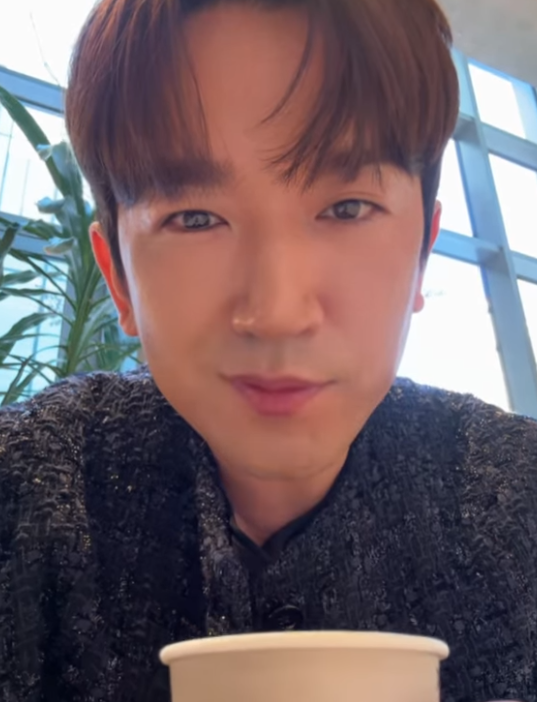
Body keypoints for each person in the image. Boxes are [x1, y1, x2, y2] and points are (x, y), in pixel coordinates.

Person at [0, 0, 535, 699]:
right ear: (118, 279)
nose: (278, 313)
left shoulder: (517, 503)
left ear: (422, 256)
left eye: (347, 208)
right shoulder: (28, 493)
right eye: (196, 218)